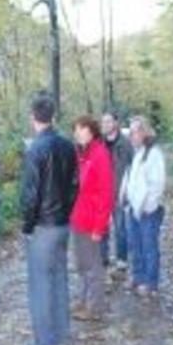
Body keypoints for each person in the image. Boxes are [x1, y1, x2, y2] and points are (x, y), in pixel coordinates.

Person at [19, 92, 79, 345]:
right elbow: (76, 185)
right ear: (52, 116)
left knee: (40, 284)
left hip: (43, 226)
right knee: (59, 279)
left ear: (33, 117)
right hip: (63, 224)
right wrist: (66, 212)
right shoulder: (68, 146)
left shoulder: (35, 149)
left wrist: (28, 226)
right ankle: (63, 337)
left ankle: (45, 344)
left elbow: (30, 195)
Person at [70, 116, 114, 321]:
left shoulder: (100, 153)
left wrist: (99, 225)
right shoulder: (82, 153)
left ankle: (95, 307)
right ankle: (83, 300)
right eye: (75, 130)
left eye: (80, 129)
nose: (76, 133)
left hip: (91, 221)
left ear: (90, 130)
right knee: (81, 264)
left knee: (93, 265)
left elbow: (106, 192)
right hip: (78, 218)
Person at [119, 116, 166, 298]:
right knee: (135, 245)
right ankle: (138, 278)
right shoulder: (138, 152)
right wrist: (124, 196)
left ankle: (150, 283)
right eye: (130, 132)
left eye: (134, 131)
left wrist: (148, 206)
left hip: (147, 211)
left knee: (149, 247)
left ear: (144, 132)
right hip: (133, 208)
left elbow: (157, 184)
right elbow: (130, 176)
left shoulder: (154, 153)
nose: (131, 135)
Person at [101, 112, 134, 271]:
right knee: (102, 227)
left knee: (120, 227)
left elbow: (133, 169)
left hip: (119, 194)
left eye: (108, 121)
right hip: (102, 194)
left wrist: (128, 191)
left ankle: (122, 259)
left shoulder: (126, 144)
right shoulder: (98, 143)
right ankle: (103, 258)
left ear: (115, 123)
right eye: (103, 122)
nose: (105, 125)